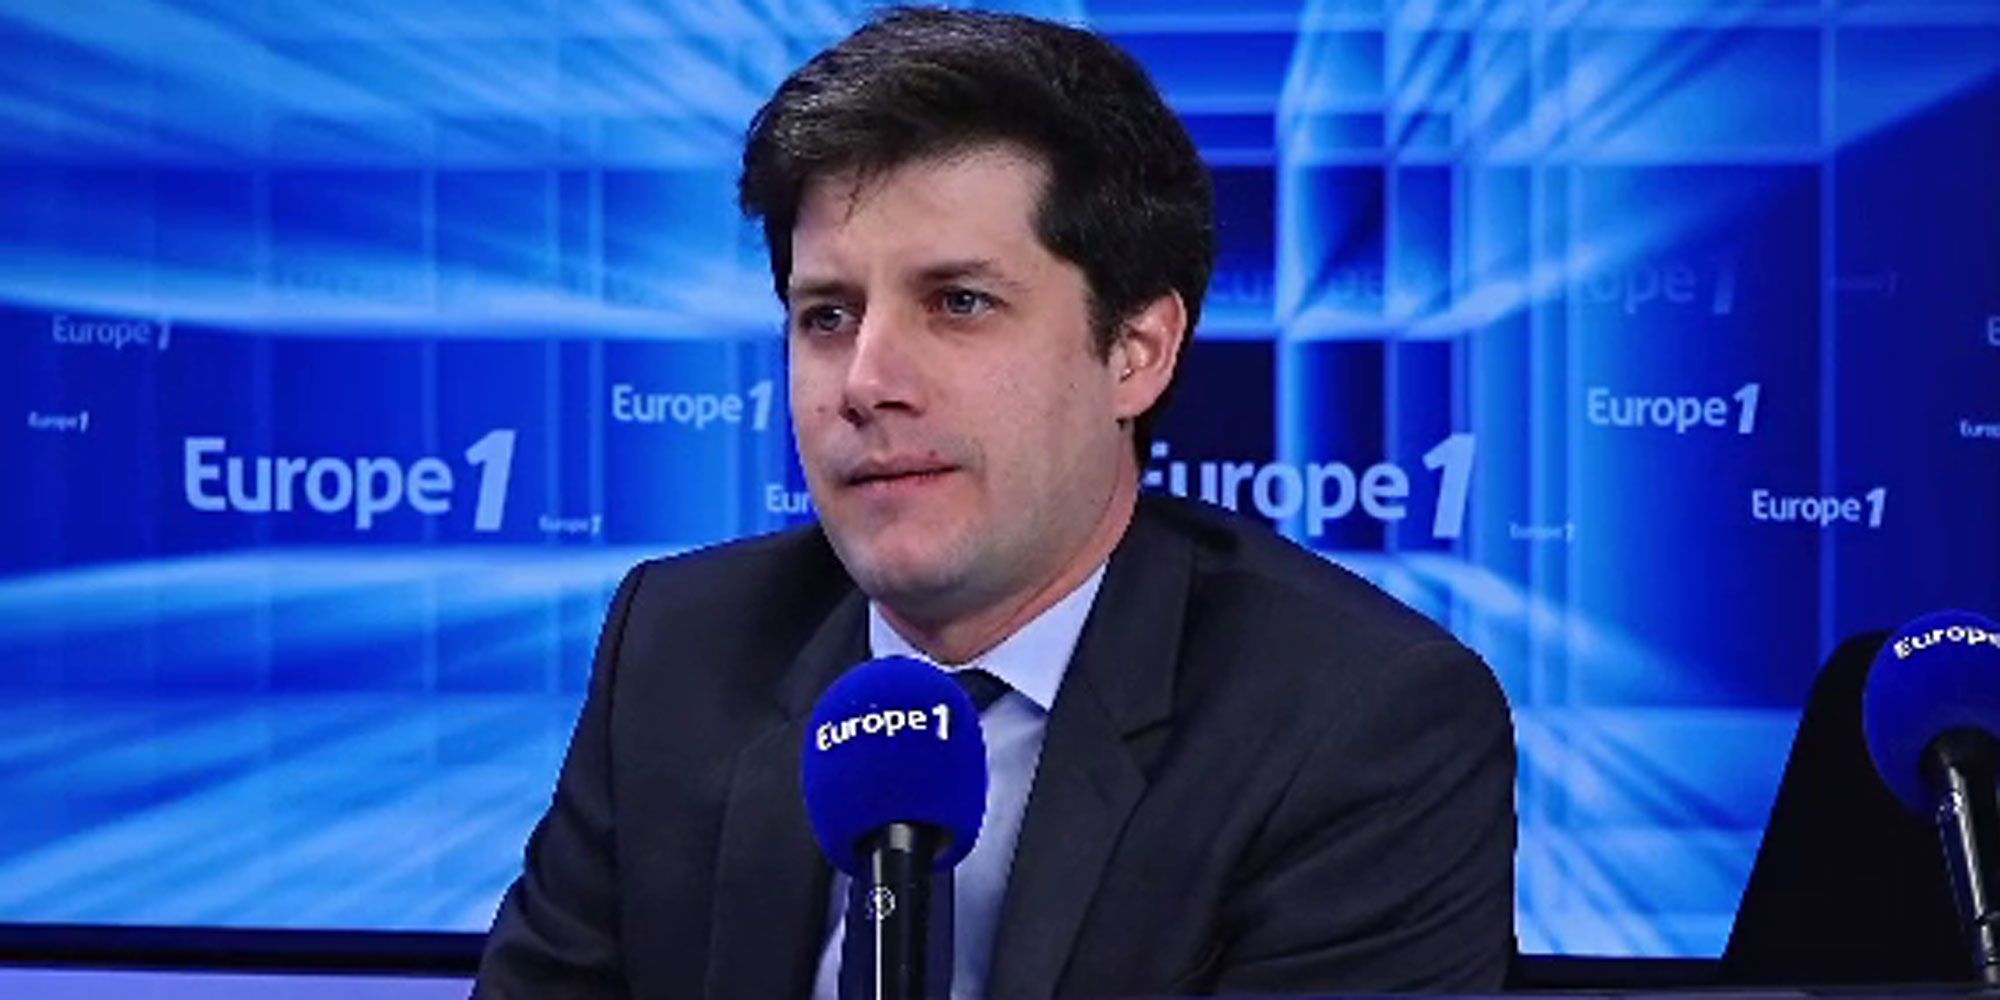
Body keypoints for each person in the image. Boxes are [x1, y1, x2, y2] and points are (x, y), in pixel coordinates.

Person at [473, 7, 1514, 999]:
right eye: (827, 315)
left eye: (959, 303)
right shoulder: (681, 648)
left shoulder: (1360, 725)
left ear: (1135, 352)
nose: (865, 381)